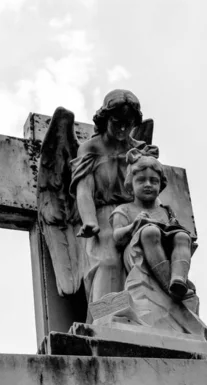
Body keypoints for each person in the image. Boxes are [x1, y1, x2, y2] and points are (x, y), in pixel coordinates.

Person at [70, 89, 158, 304]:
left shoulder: (140, 150)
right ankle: (105, 318)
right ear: (105, 118)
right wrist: (89, 221)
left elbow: (151, 185)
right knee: (109, 263)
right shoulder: (90, 148)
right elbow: (84, 189)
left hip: (135, 213)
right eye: (116, 121)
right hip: (103, 218)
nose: (122, 128)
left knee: (141, 265)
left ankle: (138, 318)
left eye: (127, 124)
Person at [110, 149, 194, 300]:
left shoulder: (166, 211)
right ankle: (168, 286)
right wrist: (135, 225)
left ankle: (179, 280)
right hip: (136, 251)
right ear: (130, 185)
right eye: (141, 180)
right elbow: (117, 236)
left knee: (182, 236)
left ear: (160, 185)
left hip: (162, 248)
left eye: (153, 181)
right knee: (150, 232)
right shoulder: (124, 209)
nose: (148, 185)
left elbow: (173, 231)